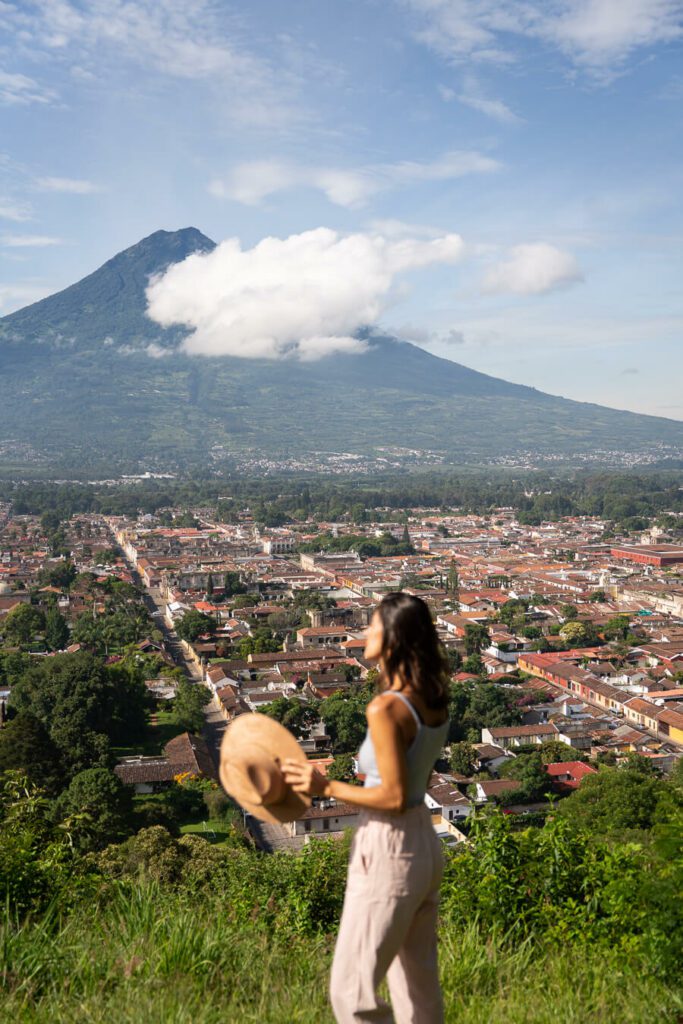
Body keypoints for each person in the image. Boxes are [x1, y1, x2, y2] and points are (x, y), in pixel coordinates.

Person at [283, 591, 450, 1024]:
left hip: (389, 842)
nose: (364, 634)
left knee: (351, 990)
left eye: (373, 626)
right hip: (425, 842)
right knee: (417, 989)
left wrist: (326, 785)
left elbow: (391, 796)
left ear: (392, 639)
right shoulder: (432, 697)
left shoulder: (386, 707)